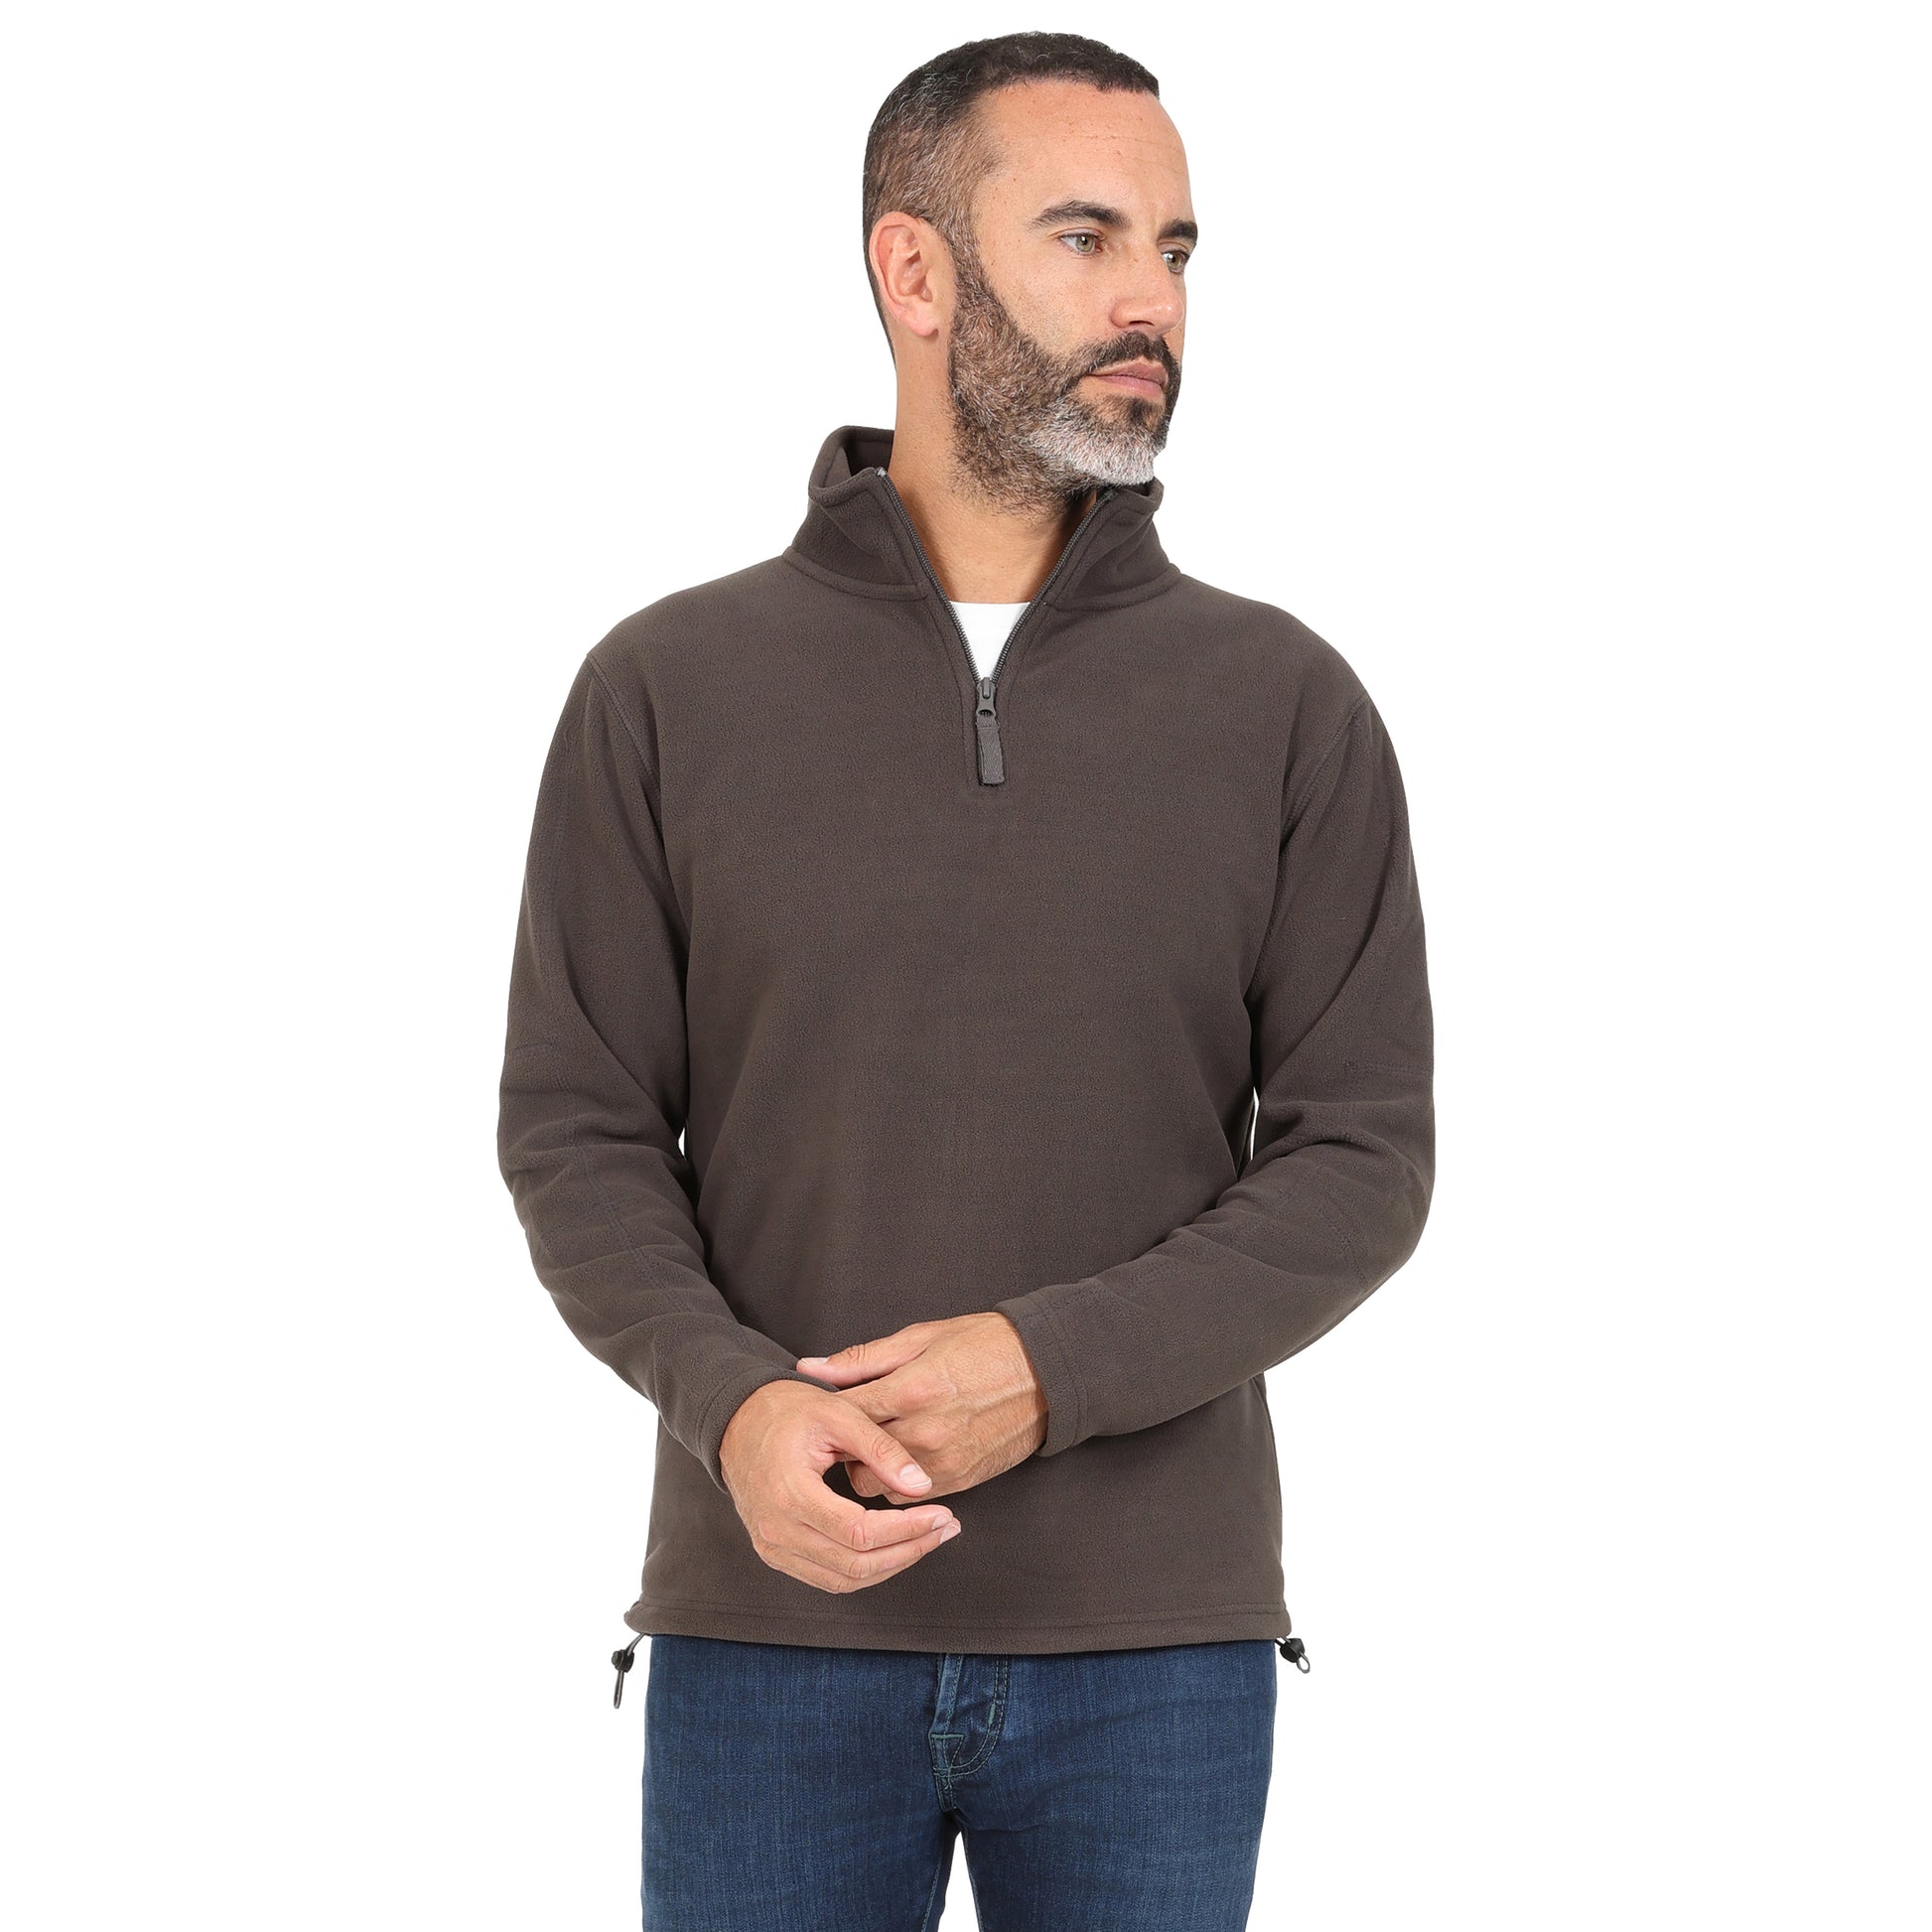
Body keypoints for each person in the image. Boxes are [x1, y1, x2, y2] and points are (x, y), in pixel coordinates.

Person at [496, 30, 1434, 1931]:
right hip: (767, 1629)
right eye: (1085, 236)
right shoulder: (665, 687)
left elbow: (1360, 1162)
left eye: (1175, 247)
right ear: (911, 271)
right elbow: (579, 1131)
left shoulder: (1284, 703)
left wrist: (1045, 1369)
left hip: (1153, 1650)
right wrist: (735, 1408)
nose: (1148, 300)